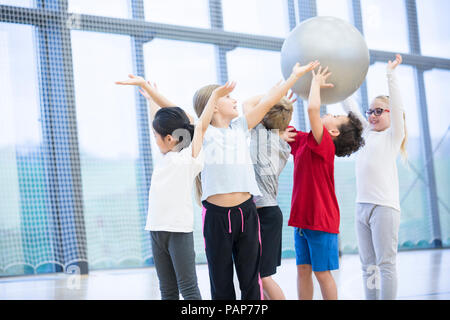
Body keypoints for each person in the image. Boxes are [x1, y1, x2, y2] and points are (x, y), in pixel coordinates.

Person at [193, 61, 320, 300]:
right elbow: (200, 125)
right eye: (227, 97)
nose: (234, 100)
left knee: (252, 280)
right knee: (220, 281)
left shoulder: (240, 127)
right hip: (216, 217)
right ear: (214, 106)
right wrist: (214, 97)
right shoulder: (203, 132)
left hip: (247, 212)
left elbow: (268, 101)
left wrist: (293, 77)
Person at [115, 75, 235, 300]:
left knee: (188, 289)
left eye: (156, 136)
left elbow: (200, 127)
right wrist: (149, 94)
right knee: (167, 290)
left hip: (178, 232)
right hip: (156, 229)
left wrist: (216, 97)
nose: (154, 139)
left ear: (170, 139)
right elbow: (157, 119)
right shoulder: (166, 156)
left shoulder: (189, 158)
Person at [286, 66, 365, 300]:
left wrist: (316, 82)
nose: (329, 113)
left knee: (322, 274)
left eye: (336, 116)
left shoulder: (325, 146)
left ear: (334, 132)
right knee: (303, 270)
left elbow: (312, 108)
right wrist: (283, 107)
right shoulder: (304, 141)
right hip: (302, 220)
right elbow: (283, 130)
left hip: (321, 221)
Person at [342, 54, 407, 300]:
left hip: (384, 208)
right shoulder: (366, 133)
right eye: (371, 111)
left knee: (385, 264)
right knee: (368, 265)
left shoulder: (393, 137)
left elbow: (398, 106)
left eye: (379, 111)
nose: (372, 115)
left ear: (391, 115)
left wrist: (391, 74)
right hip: (362, 207)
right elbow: (350, 106)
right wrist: (341, 82)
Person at [242, 94, 296, 300]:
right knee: (257, 275)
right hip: (268, 213)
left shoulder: (260, 135)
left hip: (265, 214)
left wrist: (274, 95)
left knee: (262, 276)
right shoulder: (283, 144)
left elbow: (248, 103)